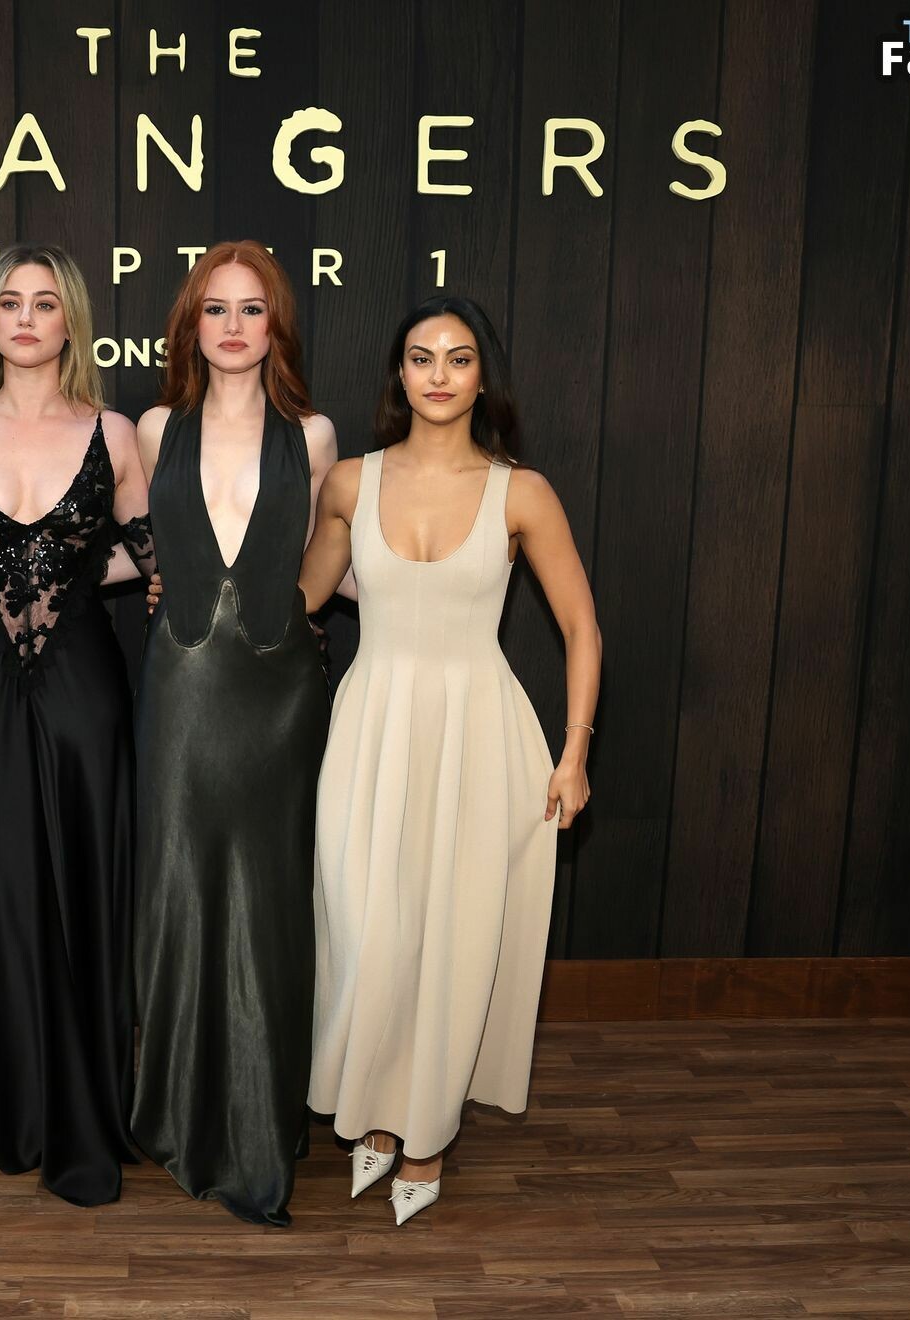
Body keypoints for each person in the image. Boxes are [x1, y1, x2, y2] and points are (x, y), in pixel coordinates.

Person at [300, 296, 601, 1225]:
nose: (438, 374)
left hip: (479, 734)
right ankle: (374, 1112)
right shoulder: (349, 482)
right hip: (370, 730)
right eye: (422, 357)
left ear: (481, 377)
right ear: (399, 373)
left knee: (454, 937)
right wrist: (199, 574)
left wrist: (574, 754)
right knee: (370, 930)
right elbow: (300, 599)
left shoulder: (522, 493)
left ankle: (424, 1133)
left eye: (458, 358)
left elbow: (582, 628)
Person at [0, 244, 153, 1206]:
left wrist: (72, 574)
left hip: (86, 689)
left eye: (45, 303)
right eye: (9, 302)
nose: (25, 318)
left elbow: (155, 558)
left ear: (69, 321)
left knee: (84, 890)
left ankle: (85, 1112)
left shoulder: (115, 433)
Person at [128, 242, 336, 1226]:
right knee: (179, 886)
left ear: (276, 324)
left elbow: (327, 562)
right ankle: (176, 1112)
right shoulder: (153, 428)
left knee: (267, 899)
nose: (235, 326)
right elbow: (141, 546)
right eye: (217, 309)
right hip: (181, 686)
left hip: (277, 691)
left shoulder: (316, 437)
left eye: (253, 309)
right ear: (192, 324)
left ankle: (261, 1121)